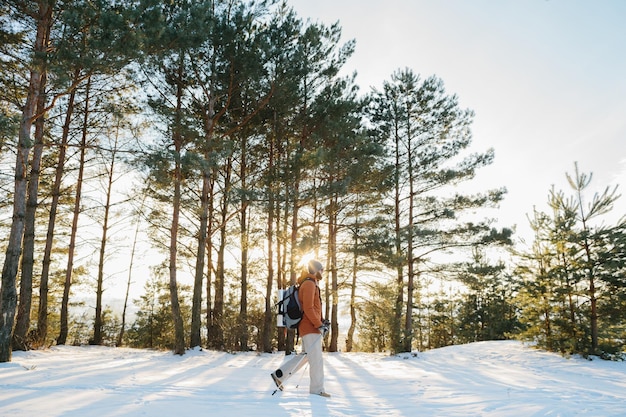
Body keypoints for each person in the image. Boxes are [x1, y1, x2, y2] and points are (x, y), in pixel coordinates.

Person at [271, 259, 331, 398]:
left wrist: (321, 321)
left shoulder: (310, 283)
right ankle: (317, 389)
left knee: (306, 356)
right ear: (315, 270)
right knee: (316, 359)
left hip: (309, 326)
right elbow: (308, 309)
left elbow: (312, 308)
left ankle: (280, 375)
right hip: (310, 327)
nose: (322, 272)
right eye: (321, 270)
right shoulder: (309, 284)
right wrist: (318, 324)